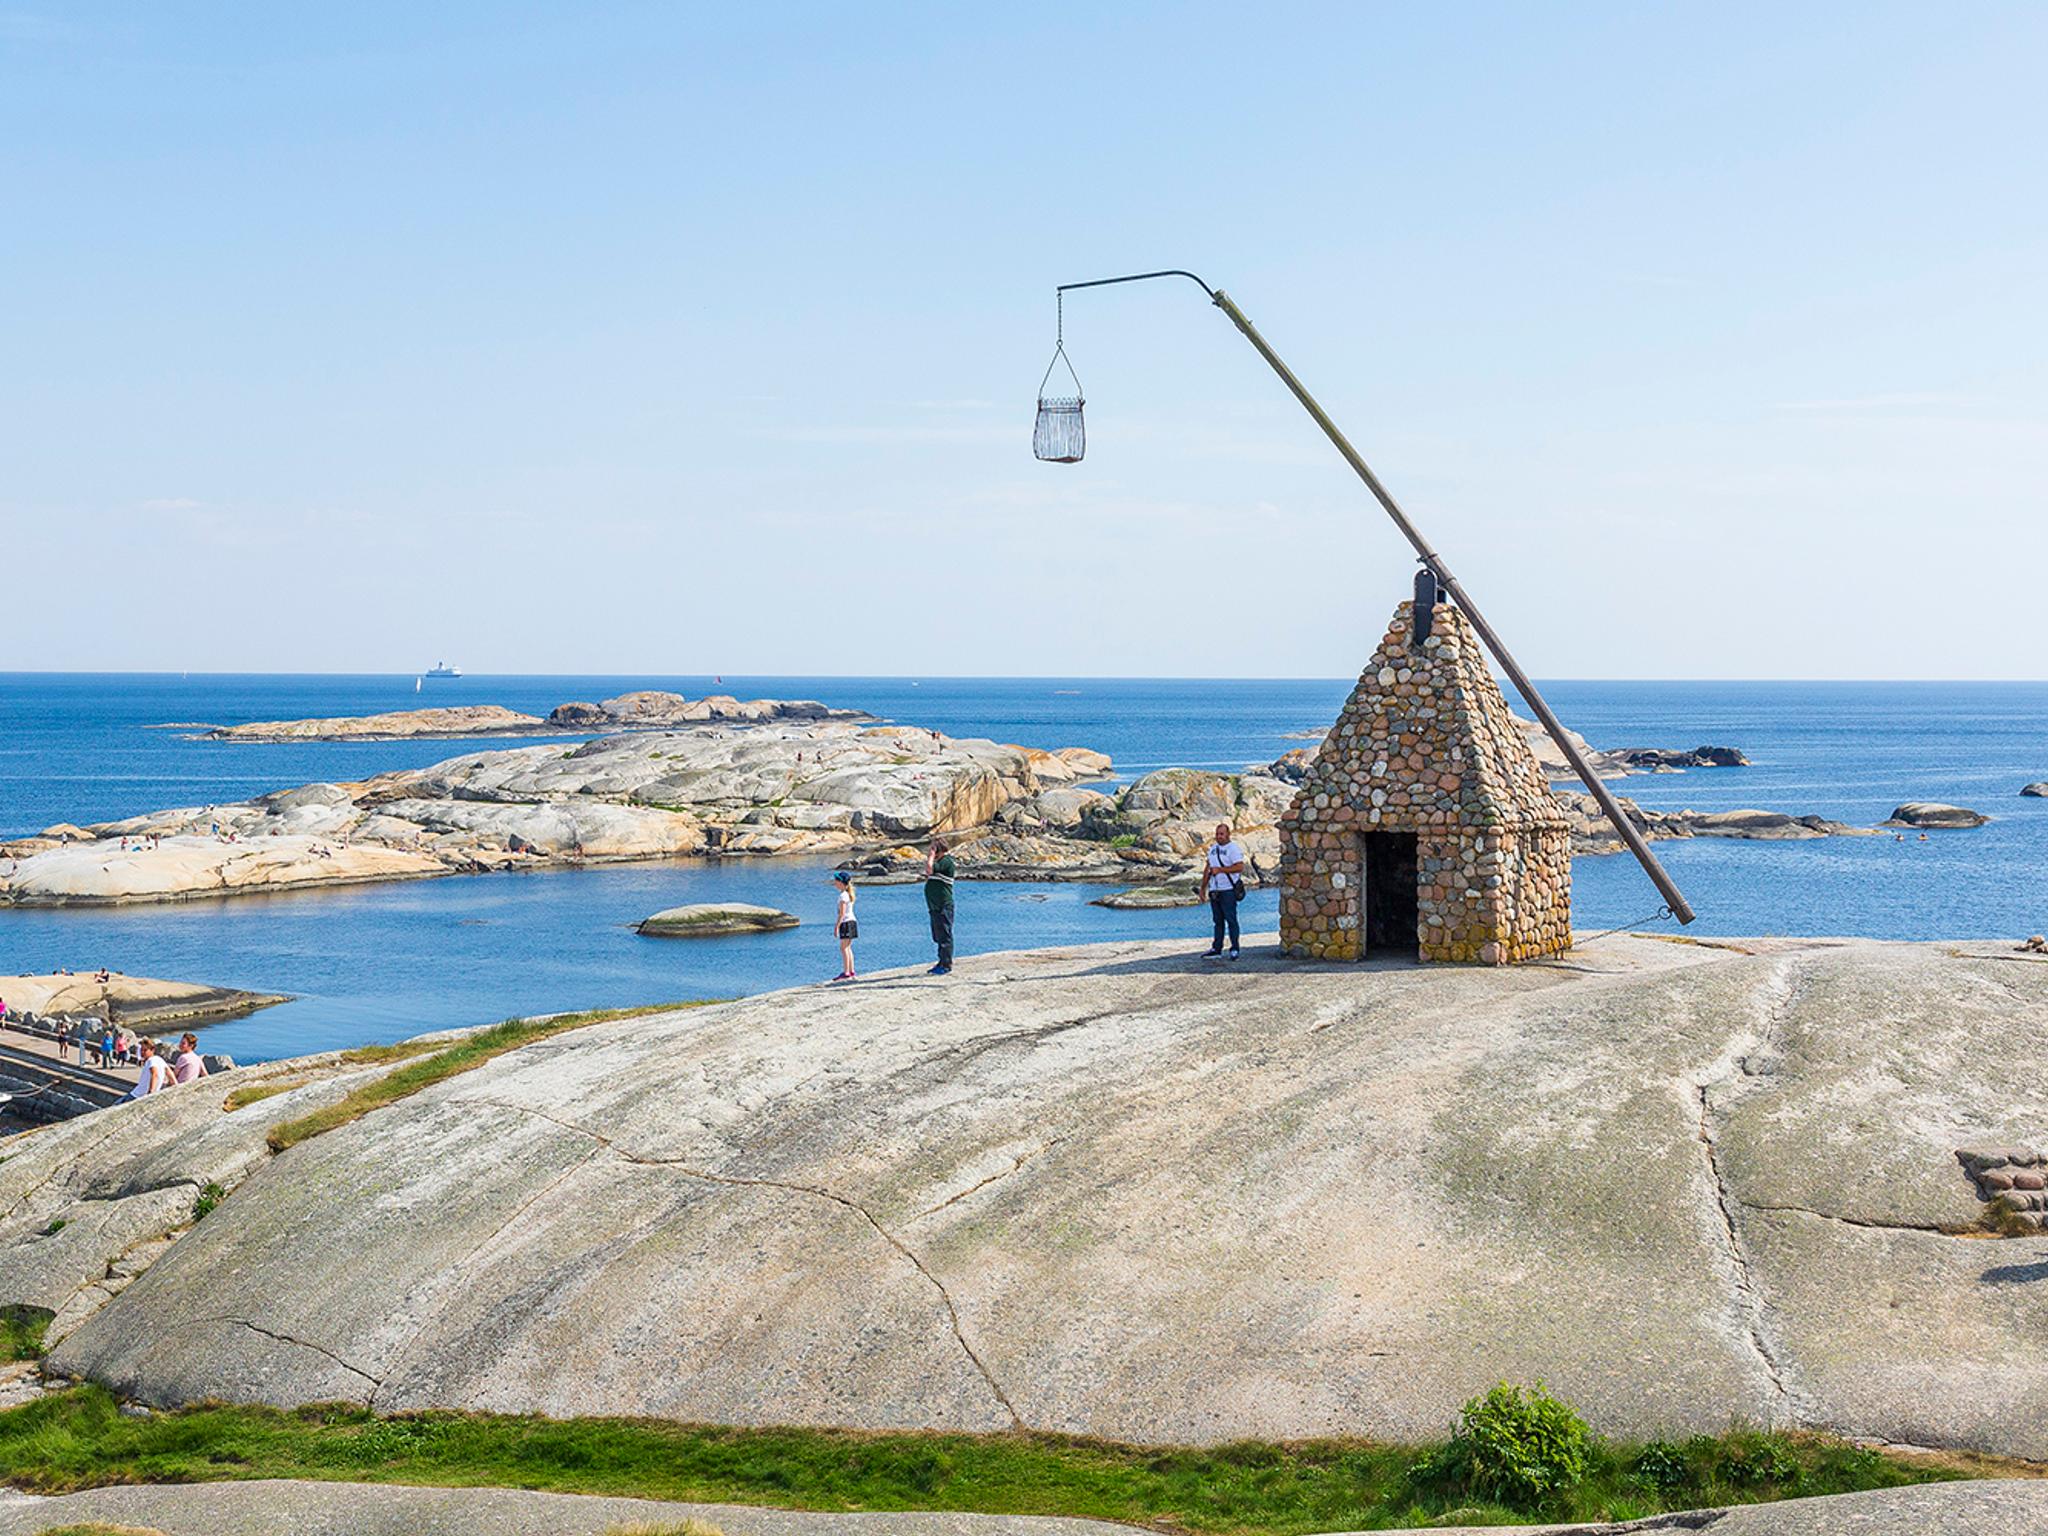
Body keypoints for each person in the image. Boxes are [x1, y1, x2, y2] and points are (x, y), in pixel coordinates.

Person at [1202, 822, 1247, 961]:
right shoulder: (1212, 849)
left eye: (1221, 834)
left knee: (1231, 920)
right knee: (1218, 921)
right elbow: (1208, 868)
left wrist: (1221, 870)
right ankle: (1217, 948)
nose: (1219, 837)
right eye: (1217, 834)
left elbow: (1239, 867)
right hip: (1215, 890)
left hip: (1228, 890)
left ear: (1228, 834)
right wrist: (1203, 888)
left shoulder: (1233, 849)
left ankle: (1234, 948)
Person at [924, 838, 955, 975]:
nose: (931, 851)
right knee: (938, 935)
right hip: (935, 906)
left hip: (943, 905)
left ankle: (946, 964)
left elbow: (929, 870)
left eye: (933, 848)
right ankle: (941, 961)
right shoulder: (940, 862)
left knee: (945, 935)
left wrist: (931, 856)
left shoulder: (946, 862)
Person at [829, 870, 858, 982]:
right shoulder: (847, 895)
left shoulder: (843, 896)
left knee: (844, 948)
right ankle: (850, 970)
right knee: (848, 947)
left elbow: (842, 913)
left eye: (836, 881)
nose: (835, 883)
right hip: (852, 922)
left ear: (841, 883)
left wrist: (837, 926)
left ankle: (846, 972)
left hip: (846, 923)